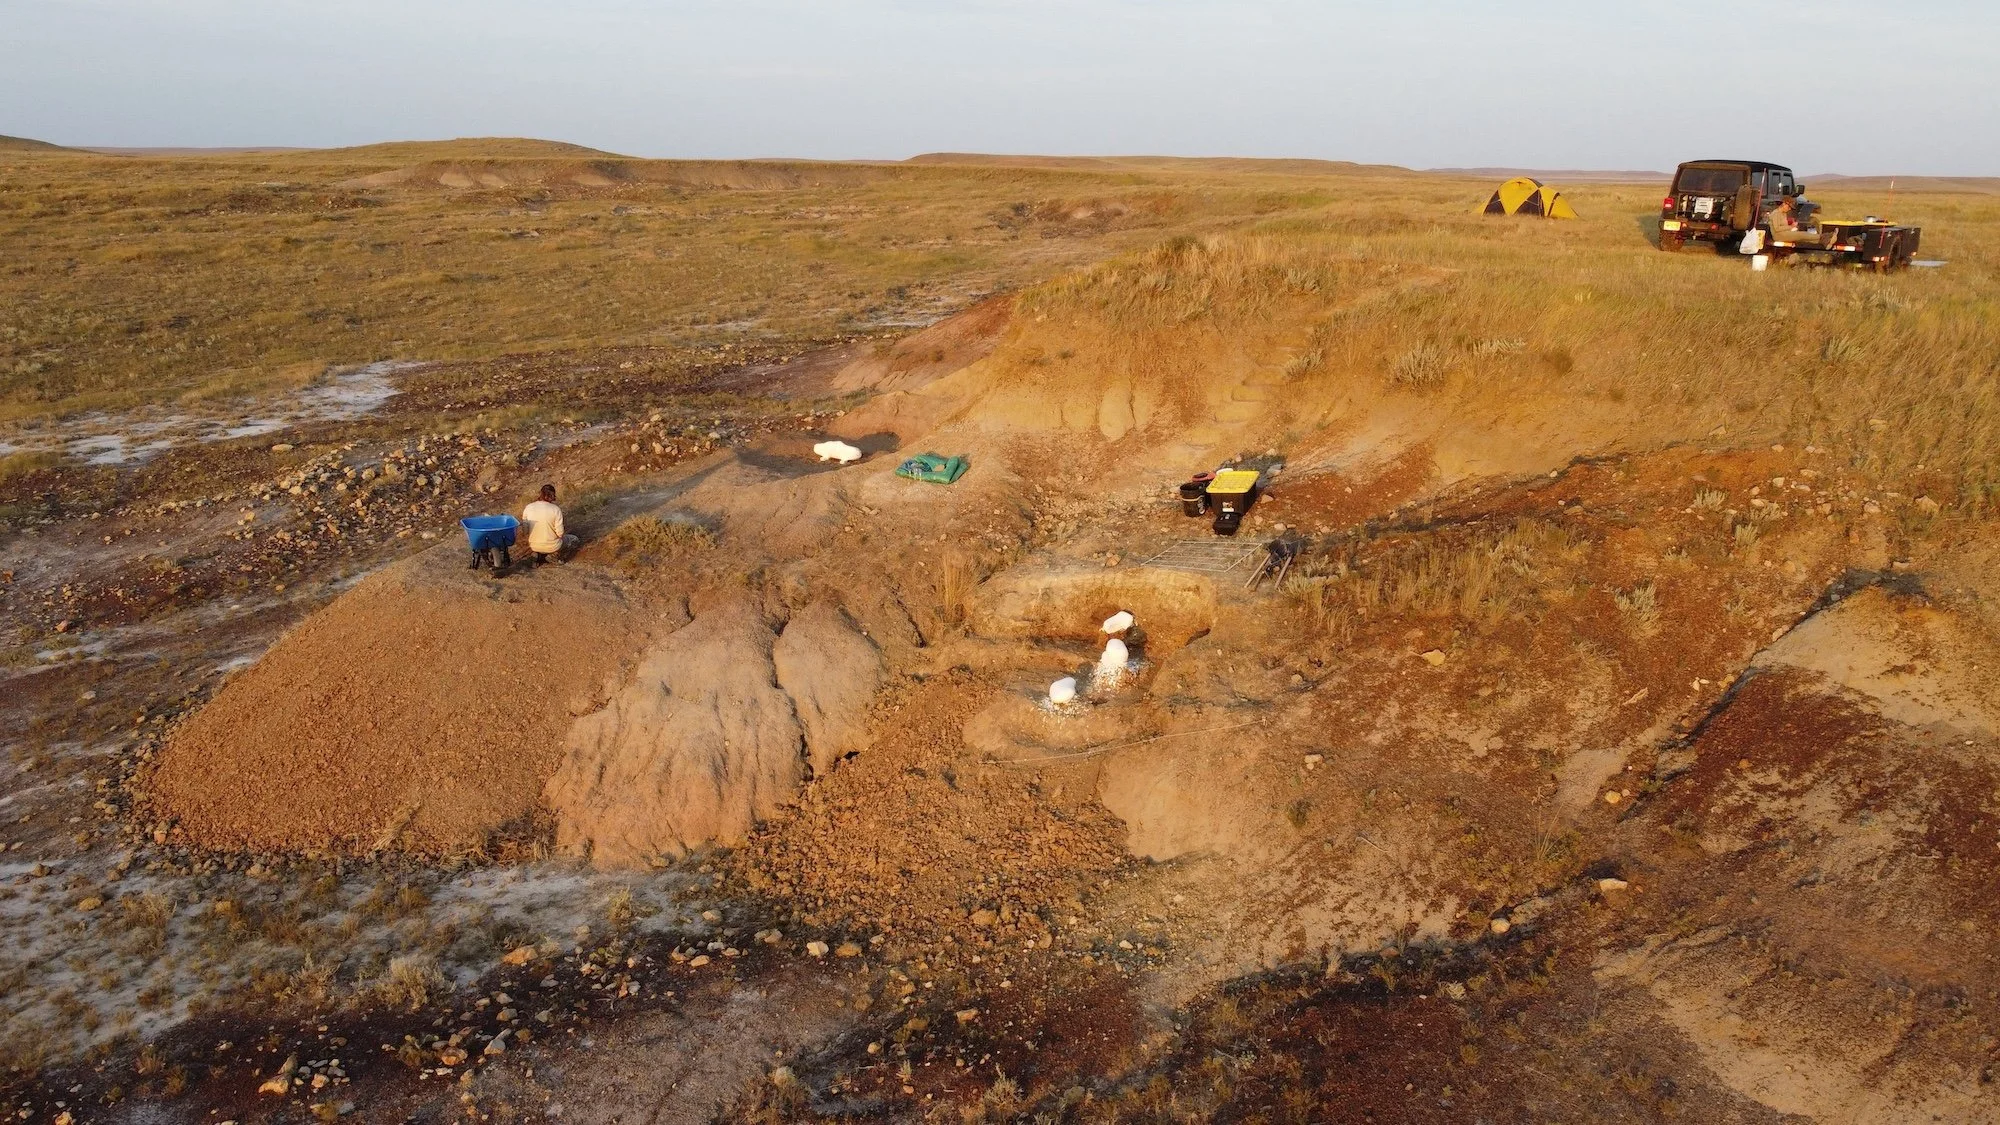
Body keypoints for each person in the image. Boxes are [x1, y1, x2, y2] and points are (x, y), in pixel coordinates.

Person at [521, 484, 579, 565]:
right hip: (553, 546)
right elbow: (560, 533)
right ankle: (554, 556)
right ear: (552, 495)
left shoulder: (528, 507)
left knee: (542, 543)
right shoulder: (556, 509)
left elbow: (525, 531)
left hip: (534, 545)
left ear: (541, 493)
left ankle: (538, 555)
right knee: (574, 539)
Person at [1766, 195, 1830, 247]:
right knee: (1802, 235)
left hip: (1784, 233)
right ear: (1784, 204)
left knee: (1803, 238)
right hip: (1778, 235)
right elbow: (1777, 228)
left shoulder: (1783, 214)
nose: (1789, 209)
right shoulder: (1776, 213)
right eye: (1789, 207)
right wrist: (1791, 227)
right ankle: (1823, 236)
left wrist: (1792, 226)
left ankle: (1823, 241)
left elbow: (1784, 226)